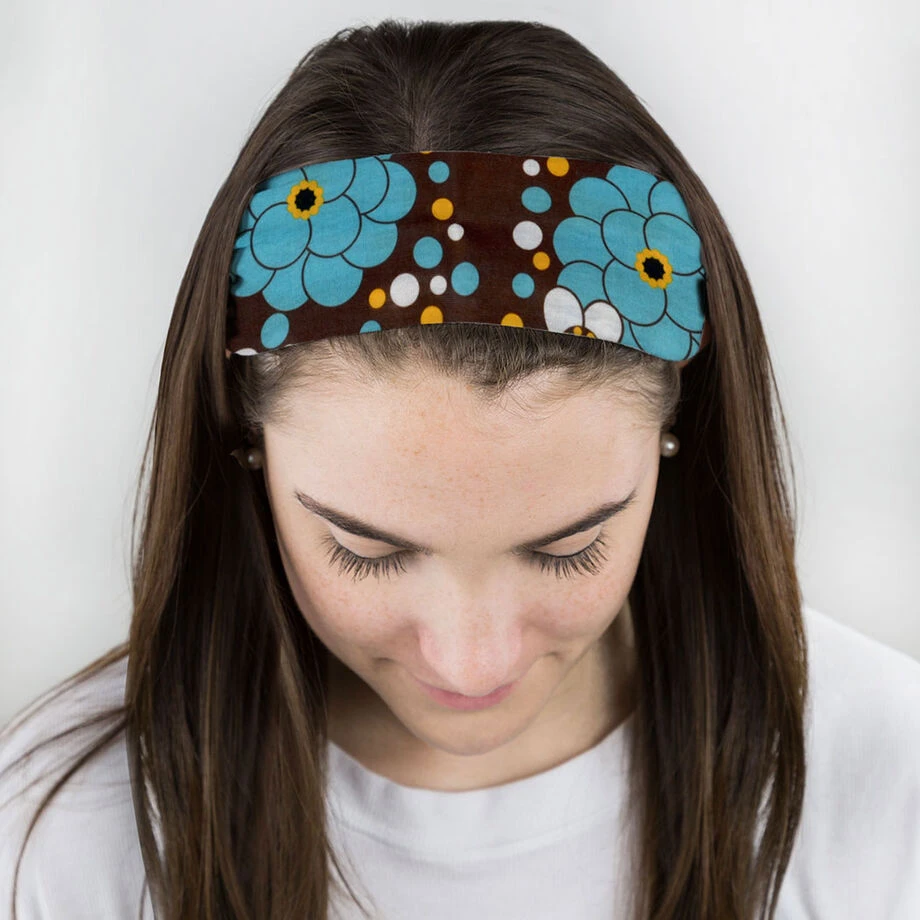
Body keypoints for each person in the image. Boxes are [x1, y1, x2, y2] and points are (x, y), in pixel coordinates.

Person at [1, 17, 919, 920]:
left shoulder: (889, 779)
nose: (472, 662)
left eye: (569, 549)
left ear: (675, 437)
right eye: (365, 550)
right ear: (247, 446)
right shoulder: (63, 832)